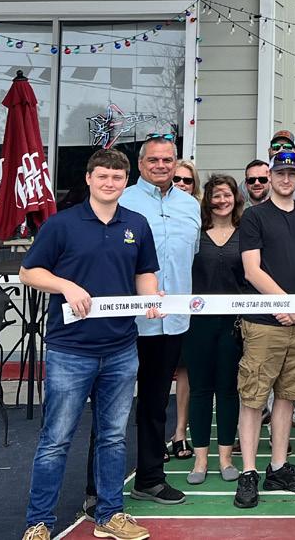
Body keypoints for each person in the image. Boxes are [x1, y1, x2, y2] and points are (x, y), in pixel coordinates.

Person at [20, 149, 162, 540]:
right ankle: (39, 523)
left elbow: (145, 273)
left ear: (126, 182)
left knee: (113, 438)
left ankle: (110, 515)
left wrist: (150, 298)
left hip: (121, 349)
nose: (109, 183)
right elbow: (29, 272)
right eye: (102, 176)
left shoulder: (137, 224)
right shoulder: (61, 224)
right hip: (70, 350)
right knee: (56, 440)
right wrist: (65, 285)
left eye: (117, 178)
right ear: (88, 178)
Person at [106, 133, 199, 508]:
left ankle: (149, 478)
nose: (161, 166)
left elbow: (190, 256)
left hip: (171, 322)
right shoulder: (122, 200)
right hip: (127, 323)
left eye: (168, 160)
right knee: (112, 408)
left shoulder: (190, 205)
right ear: (140, 164)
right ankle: (99, 489)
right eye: (153, 160)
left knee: (156, 403)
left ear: (176, 163)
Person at [233, 150, 295, 509]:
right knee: (254, 397)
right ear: (270, 176)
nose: (286, 179)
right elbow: (251, 269)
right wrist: (286, 304)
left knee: (288, 395)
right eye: (280, 173)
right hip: (264, 323)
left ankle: (277, 467)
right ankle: (249, 472)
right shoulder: (254, 216)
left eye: (292, 173)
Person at [184, 174, 245, 486]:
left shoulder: (246, 233)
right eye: (216, 196)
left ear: (236, 198)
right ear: (207, 200)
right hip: (198, 323)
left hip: (233, 323)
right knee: (200, 390)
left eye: (227, 195)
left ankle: (225, 457)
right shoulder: (195, 233)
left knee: (228, 390)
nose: (222, 201)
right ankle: (200, 459)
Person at [169, 159, 200, 463]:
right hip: (156, 304)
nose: (180, 184)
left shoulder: (197, 214)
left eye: (187, 180)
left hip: (192, 304)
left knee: (185, 373)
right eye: (175, 179)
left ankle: (180, 432)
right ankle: (153, 439)